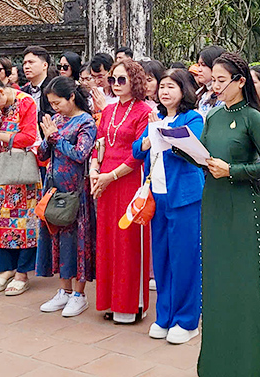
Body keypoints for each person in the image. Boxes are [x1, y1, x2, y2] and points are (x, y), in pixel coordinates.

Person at [197, 52, 260, 376]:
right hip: (213, 201)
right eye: (213, 80)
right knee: (215, 284)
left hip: (243, 206)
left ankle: (249, 365)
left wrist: (233, 170)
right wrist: (180, 147)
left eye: (221, 80)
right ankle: (216, 364)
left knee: (242, 287)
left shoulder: (253, 118)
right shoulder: (214, 115)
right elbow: (204, 155)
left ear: (241, 81)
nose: (215, 86)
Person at [133, 69, 205, 344]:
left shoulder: (193, 117)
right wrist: (151, 136)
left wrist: (160, 135)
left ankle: (187, 320)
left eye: (171, 87)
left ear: (184, 90)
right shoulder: (157, 117)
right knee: (161, 258)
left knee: (185, 259)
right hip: (157, 196)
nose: (164, 91)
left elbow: (189, 150)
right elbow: (137, 150)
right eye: (162, 86)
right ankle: (164, 316)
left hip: (184, 197)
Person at [91, 59, 153, 324]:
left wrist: (110, 176)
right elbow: (99, 143)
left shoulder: (144, 111)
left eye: (121, 79)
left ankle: (129, 304)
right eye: (112, 79)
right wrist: (94, 169)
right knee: (107, 240)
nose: (115, 84)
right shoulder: (108, 110)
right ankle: (110, 300)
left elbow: (138, 154)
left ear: (134, 81)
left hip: (128, 180)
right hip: (105, 179)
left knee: (128, 240)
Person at [35, 77, 99, 318]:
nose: (55, 108)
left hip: (75, 191)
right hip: (54, 188)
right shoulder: (57, 120)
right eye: (51, 104)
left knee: (77, 241)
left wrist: (55, 138)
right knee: (58, 238)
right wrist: (47, 137)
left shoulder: (86, 122)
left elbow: (80, 154)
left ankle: (79, 294)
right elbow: (43, 153)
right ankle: (64, 290)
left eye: (58, 102)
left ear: (71, 97)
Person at [0, 70, 41, 296]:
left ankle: (22, 273)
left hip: (23, 170)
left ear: (1, 92)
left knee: (26, 222)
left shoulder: (25, 102)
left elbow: (29, 137)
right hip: (4, 170)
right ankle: (4, 269)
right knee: (0, 220)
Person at [22, 45, 53, 121]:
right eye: (24, 63)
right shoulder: (23, 92)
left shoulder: (54, 89)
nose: (26, 66)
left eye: (31, 62)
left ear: (44, 65)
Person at [194, 45, 226, 117]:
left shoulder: (226, 95)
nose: (199, 69)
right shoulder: (199, 93)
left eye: (203, 65)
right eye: (199, 65)